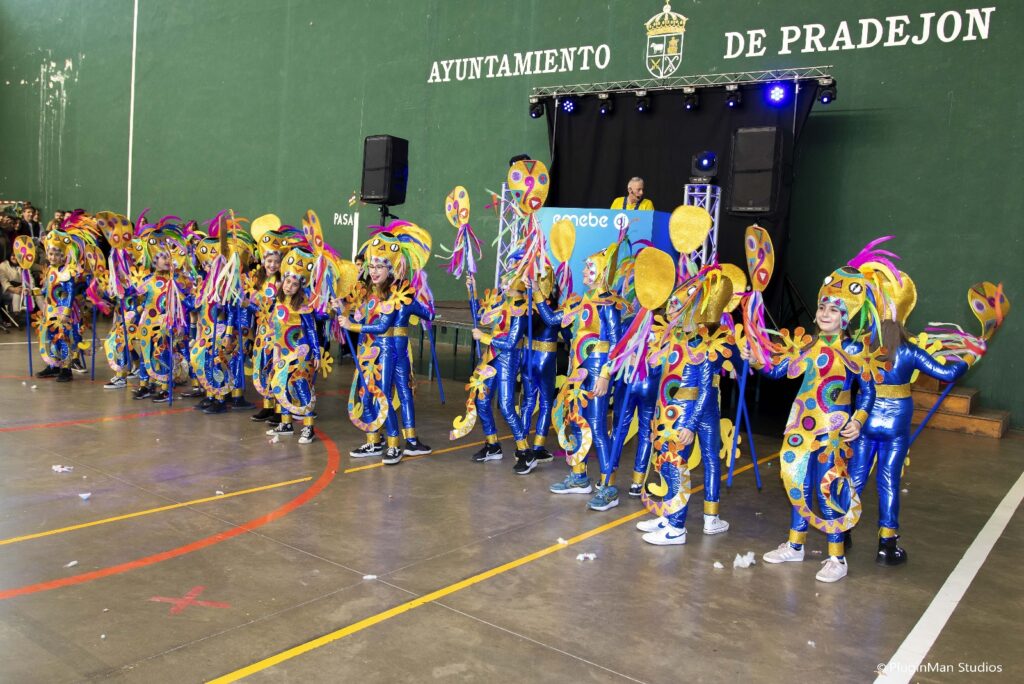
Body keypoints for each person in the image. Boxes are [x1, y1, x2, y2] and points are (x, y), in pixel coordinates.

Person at [740, 253, 894, 583]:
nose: (825, 314)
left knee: (829, 489)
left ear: (846, 317)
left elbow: (868, 391)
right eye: (822, 307)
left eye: (833, 310)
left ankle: (837, 557)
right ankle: (795, 546)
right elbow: (778, 370)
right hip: (800, 424)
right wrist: (755, 360)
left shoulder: (854, 351)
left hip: (833, 432)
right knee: (798, 482)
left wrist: (858, 419)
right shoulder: (808, 345)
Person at [848, 272, 969, 565]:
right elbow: (947, 373)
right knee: (888, 481)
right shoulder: (910, 351)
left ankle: (840, 532)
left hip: (865, 418)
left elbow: (835, 365)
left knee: (855, 476)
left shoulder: (859, 347)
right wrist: (969, 358)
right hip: (896, 423)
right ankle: (887, 546)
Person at [550, 242, 625, 510]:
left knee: (597, 427)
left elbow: (617, 344)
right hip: (578, 373)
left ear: (602, 272)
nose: (584, 271)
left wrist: (605, 375)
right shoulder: (586, 299)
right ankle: (579, 476)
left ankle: (608, 487)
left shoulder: (608, 304)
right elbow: (556, 321)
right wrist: (536, 290)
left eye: (590, 267)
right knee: (576, 422)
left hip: (596, 374)